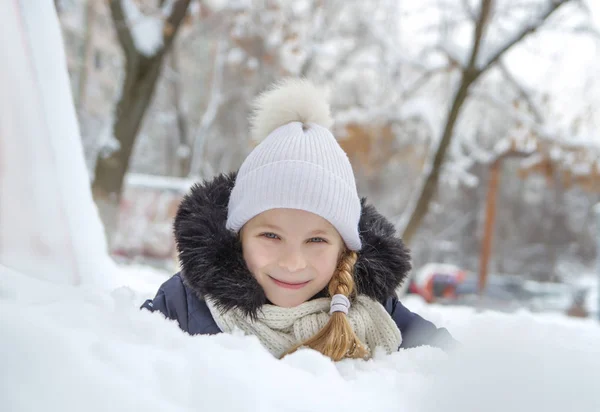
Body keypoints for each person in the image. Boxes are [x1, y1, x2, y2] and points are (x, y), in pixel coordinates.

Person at [142, 78, 456, 361]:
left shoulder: (375, 311)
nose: (293, 263)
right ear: (237, 236)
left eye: (316, 240)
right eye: (271, 236)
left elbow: (457, 370)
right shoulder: (183, 305)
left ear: (343, 248)